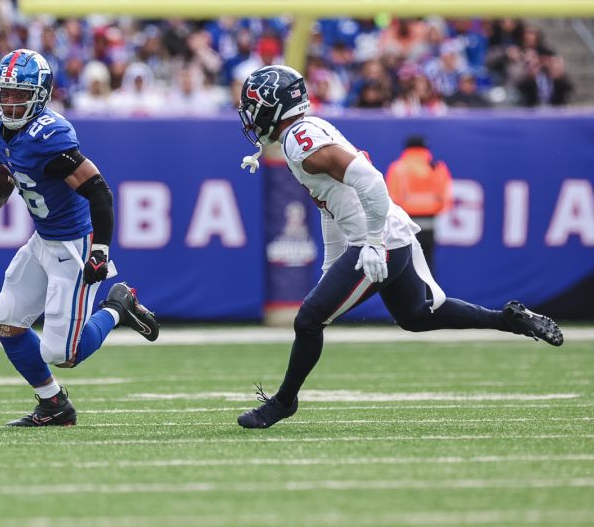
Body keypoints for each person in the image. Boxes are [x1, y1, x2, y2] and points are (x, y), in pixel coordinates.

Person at [233, 65, 563, 429]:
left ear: (273, 105)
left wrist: (372, 243)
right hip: (388, 233)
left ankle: (283, 402)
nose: (250, 115)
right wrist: (332, 262)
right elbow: (329, 204)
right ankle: (509, 320)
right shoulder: (306, 131)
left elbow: (372, 182)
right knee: (416, 316)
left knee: (309, 319)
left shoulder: (300, 141)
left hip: (379, 239)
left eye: (253, 105)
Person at [0, 49, 161, 427]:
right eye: (6, 92)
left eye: (20, 94)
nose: (11, 101)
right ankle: (54, 405)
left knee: (62, 354)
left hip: (74, 245)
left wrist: (100, 251)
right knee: (8, 322)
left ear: (41, 94)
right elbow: (11, 170)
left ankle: (119, 305)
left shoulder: (49, 137)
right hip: (42, 240)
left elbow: (99, 191)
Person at [385, 136, 452, 274]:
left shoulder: (398, 168)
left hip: (404, 225)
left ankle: (409, 296)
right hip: (429, 224)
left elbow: (390, 198)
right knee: (427, 266)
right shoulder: (437, 167)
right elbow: (445, 198)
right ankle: (429, 295)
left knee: (406, 268)